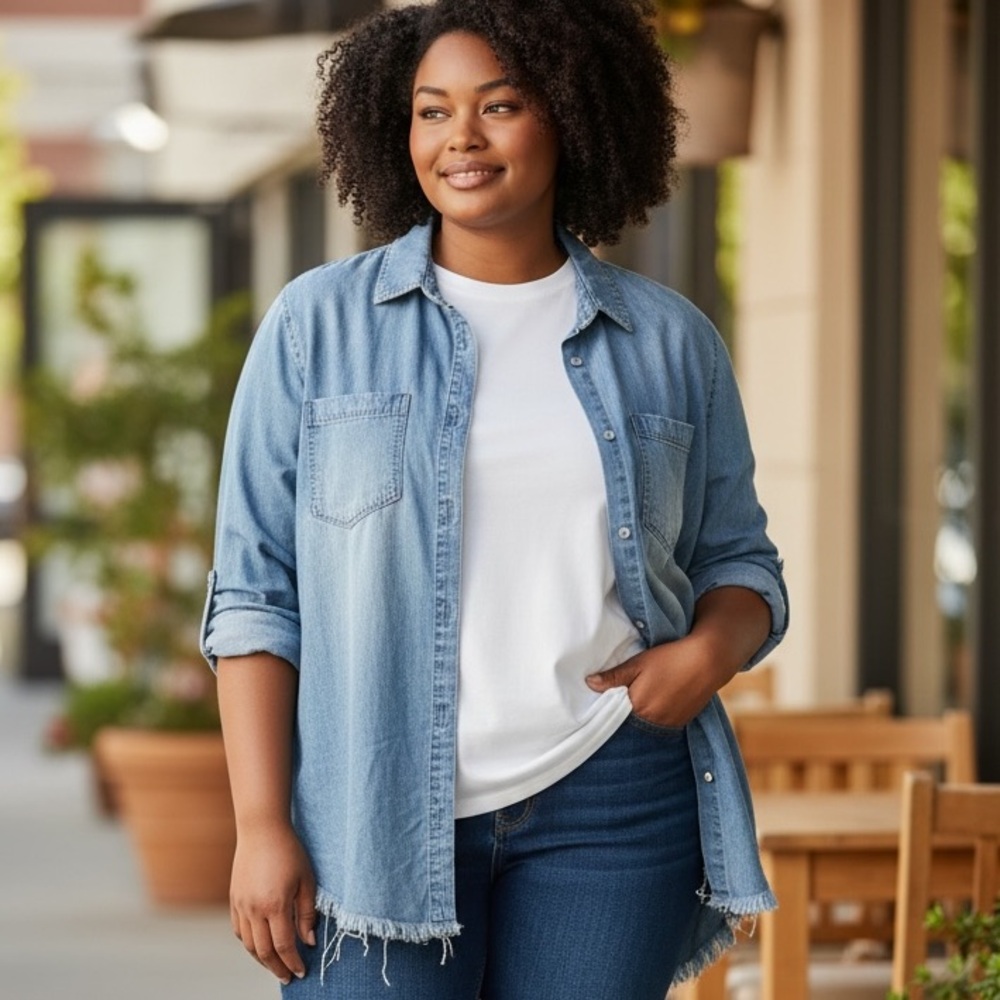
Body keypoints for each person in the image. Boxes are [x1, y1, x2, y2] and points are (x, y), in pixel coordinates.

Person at [201, 1, 788, 997]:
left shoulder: (669, 342)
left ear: (571, 114)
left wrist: (709, 650)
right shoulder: (317, 327)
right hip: (370, 810)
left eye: (500, 106)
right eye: (432, 111)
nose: (461, 137)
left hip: (613, 801)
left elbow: (739, 561)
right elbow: (257, 595)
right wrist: (260, 824)